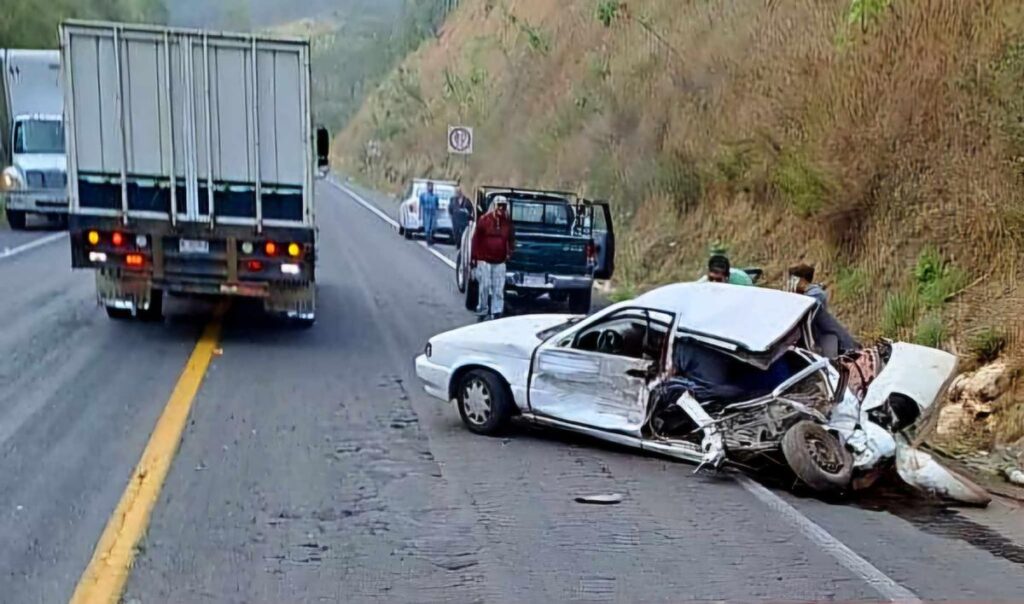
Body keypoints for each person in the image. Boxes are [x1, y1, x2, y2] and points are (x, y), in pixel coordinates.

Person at [787, 263, 859, 359]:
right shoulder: (805, 294)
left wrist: (793, 295)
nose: (790, 282)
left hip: (826, 338)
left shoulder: (815, 294)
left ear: (802, 280)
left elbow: (806, 308)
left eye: (793, 279)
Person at [470, 195, 515, 321]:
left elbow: (511, 240)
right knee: (484, 286)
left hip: (500, 261)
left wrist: (510, 252)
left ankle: (496, 312)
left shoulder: (508, 224)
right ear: (494, 206)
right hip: (484, 260)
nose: (501, 208)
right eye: (499, 205)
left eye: (503, 206)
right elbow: (476, 240)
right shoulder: (484, 220)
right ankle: (483, 309)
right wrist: (474, 257)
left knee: (498, 288)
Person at [419, 181, 440, 245]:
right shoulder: (423, 196)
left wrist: (437, 214)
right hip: (426, 213)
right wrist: (420, 215)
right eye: (429, 186)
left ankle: (431, 237)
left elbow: (437, 205)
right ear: (427, 187)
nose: (430, 188)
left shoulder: (435, 196)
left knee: (432, 227)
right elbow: (421, 205)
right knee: (427, 227)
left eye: (432, 186)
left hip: (433, 213)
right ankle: (428, 239)